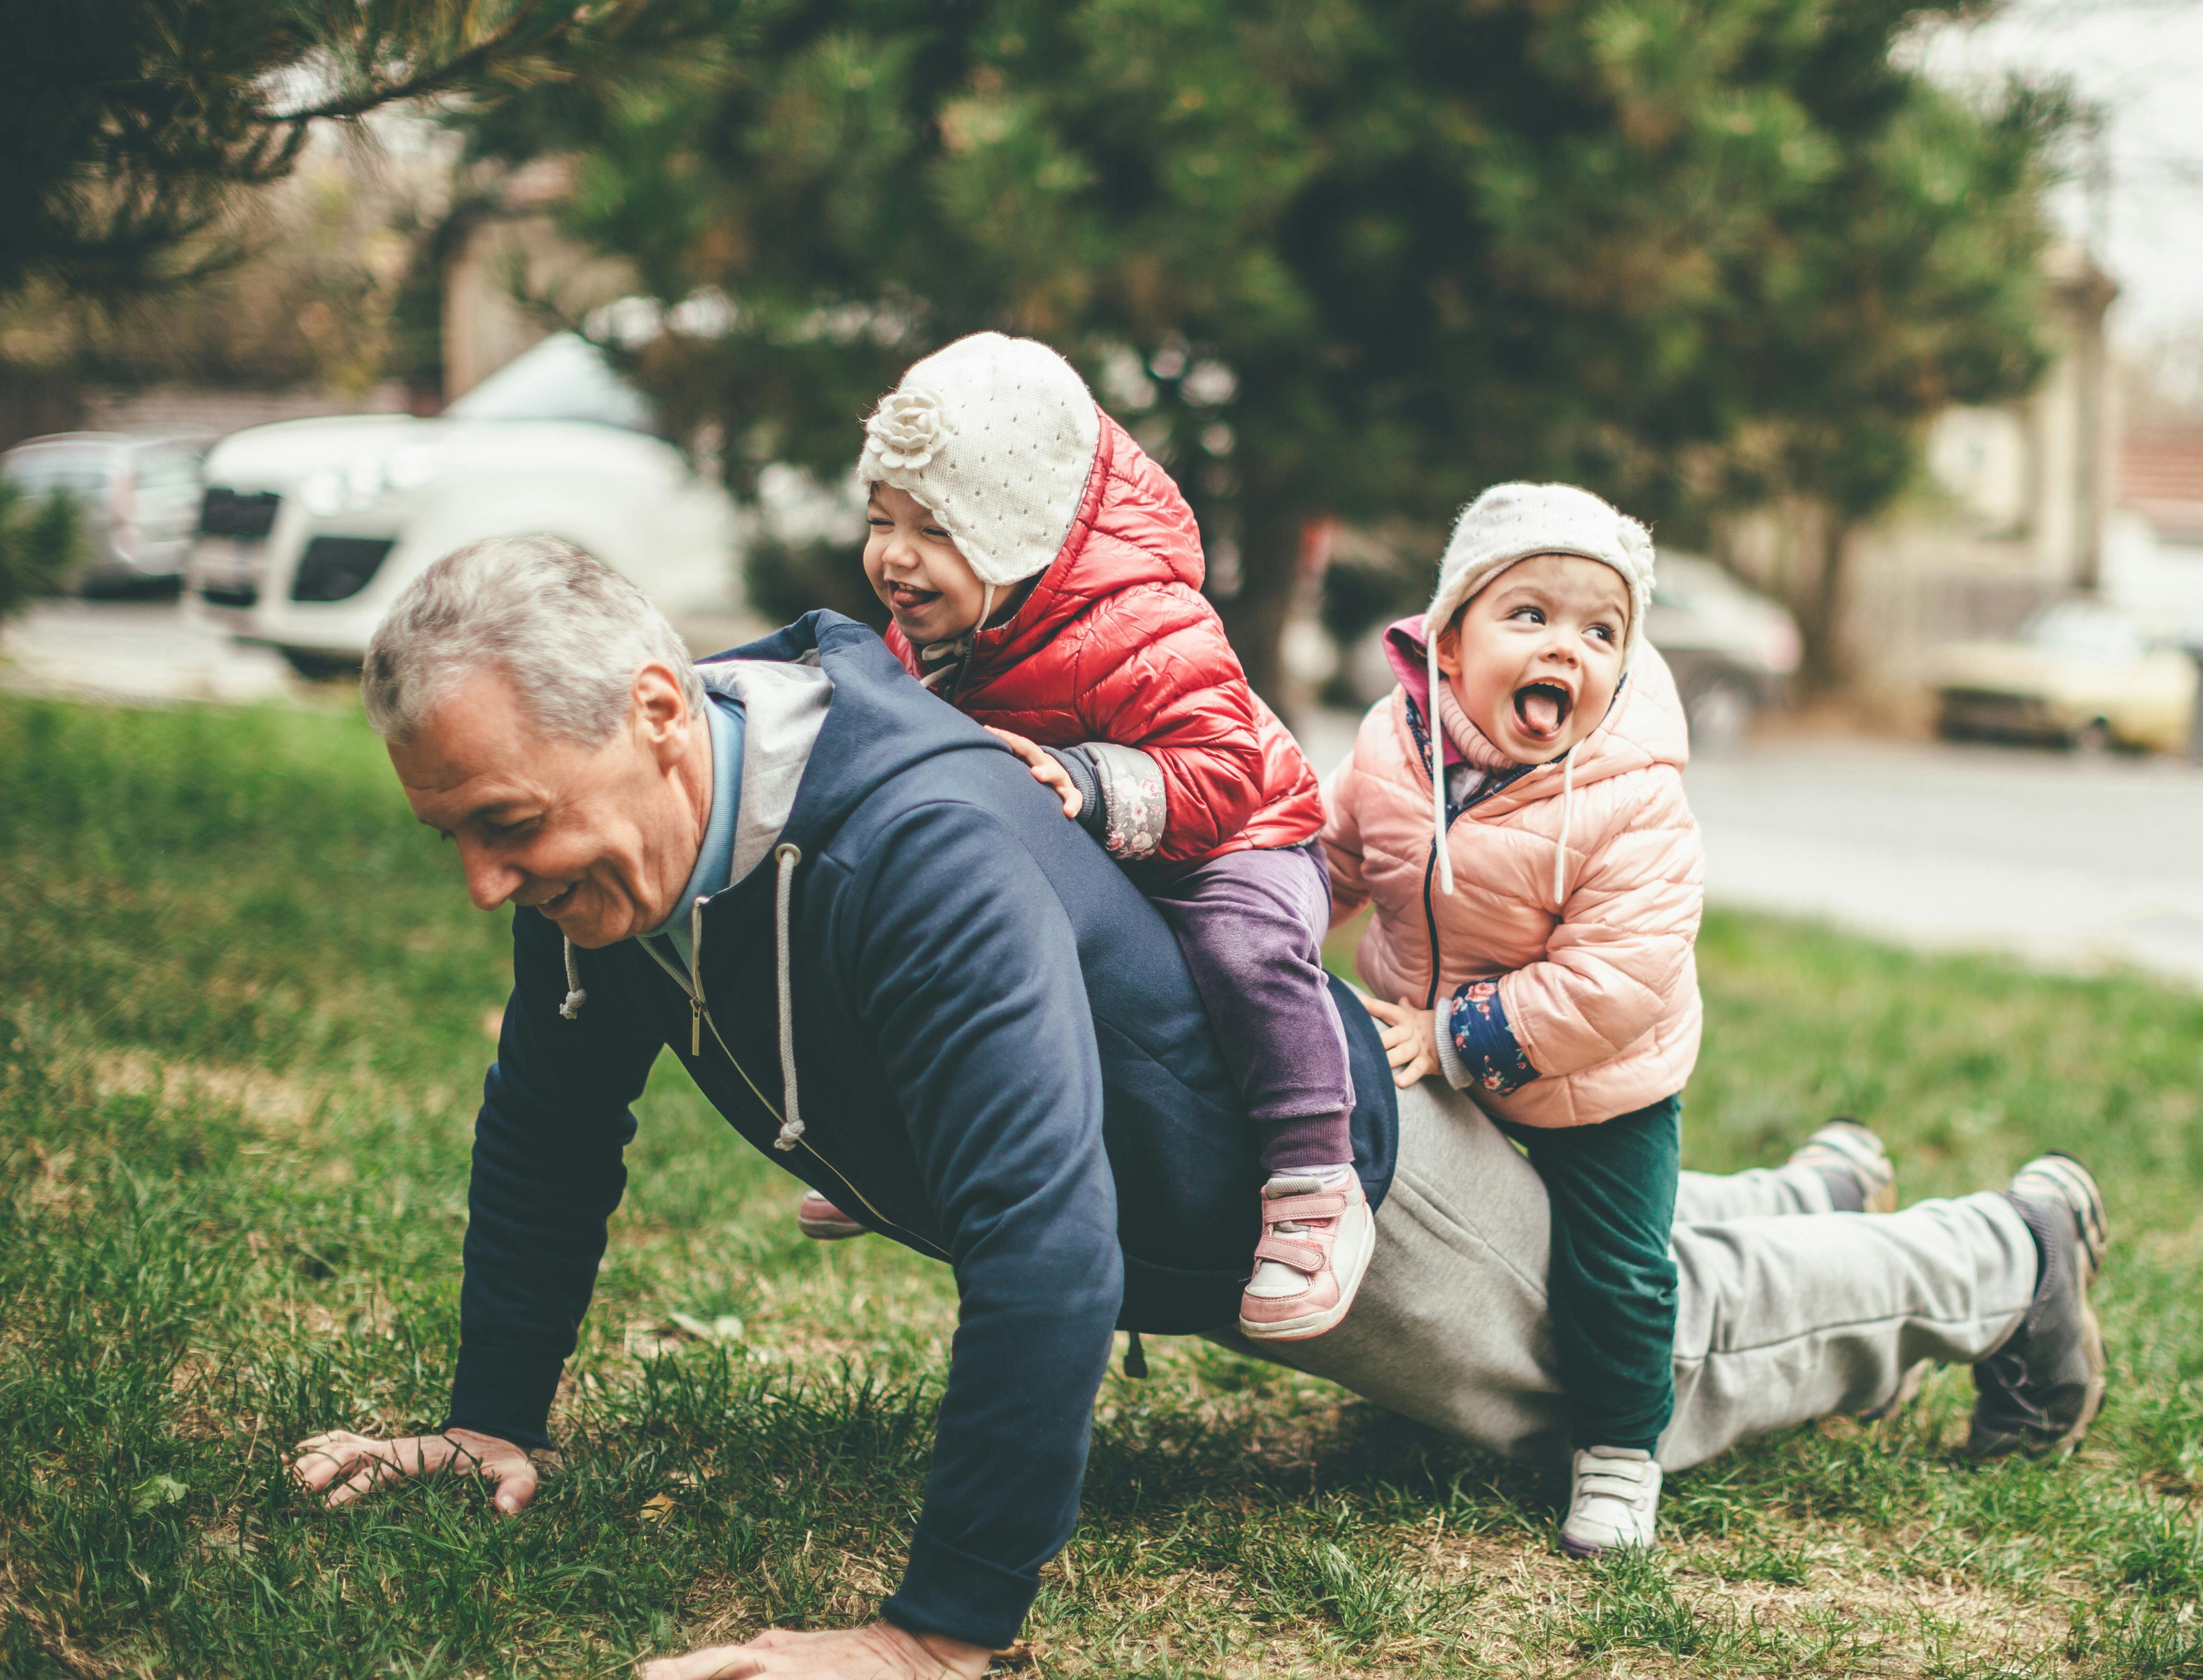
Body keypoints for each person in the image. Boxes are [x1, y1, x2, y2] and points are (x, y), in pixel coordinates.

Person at [288, 537, 2109, 1680]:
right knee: (1619, 1260)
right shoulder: (626, 857)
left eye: (506, 825)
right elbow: (549, 1120)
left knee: (1651, 1367)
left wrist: (936, 1629)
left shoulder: (902, 845)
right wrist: (489, 1418)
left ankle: (2002, 1259)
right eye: (453, 832)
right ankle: (1803, 1195)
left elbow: (1047, 1246)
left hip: (1339, 1189)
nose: (482, 882)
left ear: (660, 714)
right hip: (1241, 1183)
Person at [810, 330, 1366, 1342]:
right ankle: (906, 1140)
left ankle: (1315, 1176)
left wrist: (1088, 781)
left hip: (1233, 834)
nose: (894, 554)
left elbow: (1223, 769)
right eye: (882, 516)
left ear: (1019, 529)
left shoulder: (1150, 622)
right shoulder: (942, 628)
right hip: (1088, 836)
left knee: (1244, 951)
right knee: (943, 936)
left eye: (934, 527)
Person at [1324, 481, 1703, 1554]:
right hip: (1424, 1028)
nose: (1566, 648)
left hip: (1598, 1075)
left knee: (1617, 1264)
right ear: (1447, 642)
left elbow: (1617, 978)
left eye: (1601, 630)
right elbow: (1341, 856)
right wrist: (1273, 912)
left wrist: (1452, 1038)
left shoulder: (1633, 796)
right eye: (1528, 615)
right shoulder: (1393, 745)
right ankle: (1417, 1366)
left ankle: (1623, 1447)